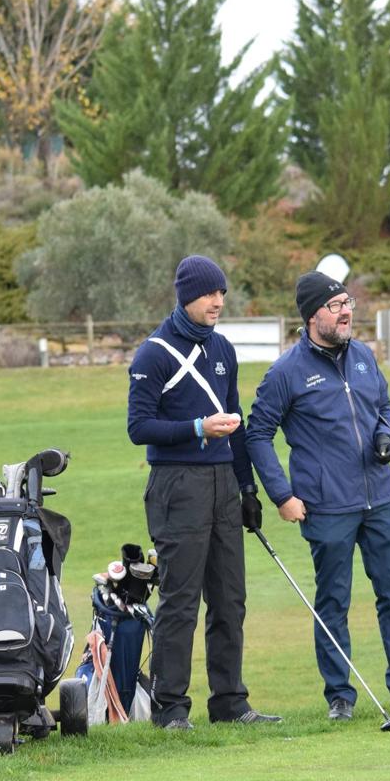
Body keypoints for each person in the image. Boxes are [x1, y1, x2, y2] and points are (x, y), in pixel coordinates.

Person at [246, 271, 390, 721]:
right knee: (333, 602)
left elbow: (383, 408)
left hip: (380, 499)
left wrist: (386, 435)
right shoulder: (286, 372)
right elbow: (257, 434)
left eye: (347, 301)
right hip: (326, 505)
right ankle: (340, 697)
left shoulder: (364, 357)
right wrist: (281, 495)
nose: (346, 311)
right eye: (335, 306)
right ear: (313, 315)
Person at [126, 255, 281, 730]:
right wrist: (197, 427)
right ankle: (170, 707)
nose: (218, 302)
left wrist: (247, 489)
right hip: (177, 485)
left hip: (221, 486)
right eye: (209, 294)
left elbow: (234, 425)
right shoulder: (153, 353)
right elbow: (139, 428)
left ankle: (230, 702)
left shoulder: (223, 350)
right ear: (186, 296)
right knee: (180, 599)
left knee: (230, 597)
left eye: (222, 294)